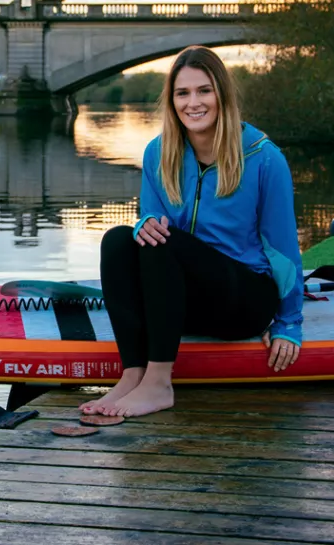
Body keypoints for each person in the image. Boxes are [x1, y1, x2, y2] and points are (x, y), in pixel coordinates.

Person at [81, 46, 304, 418]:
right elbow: (151, 219)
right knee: (120, 238)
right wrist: (144, 224)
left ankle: (158, 384)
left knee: (164, 241)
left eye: (204, 91)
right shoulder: (158, 153)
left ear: (222, 95)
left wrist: (289, 321)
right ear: (172, 101)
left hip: (244, 299)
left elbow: (283, 248)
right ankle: (133, 374)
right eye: (182, 93)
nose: (193, 103)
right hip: (183, 301)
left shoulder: (264, 158)